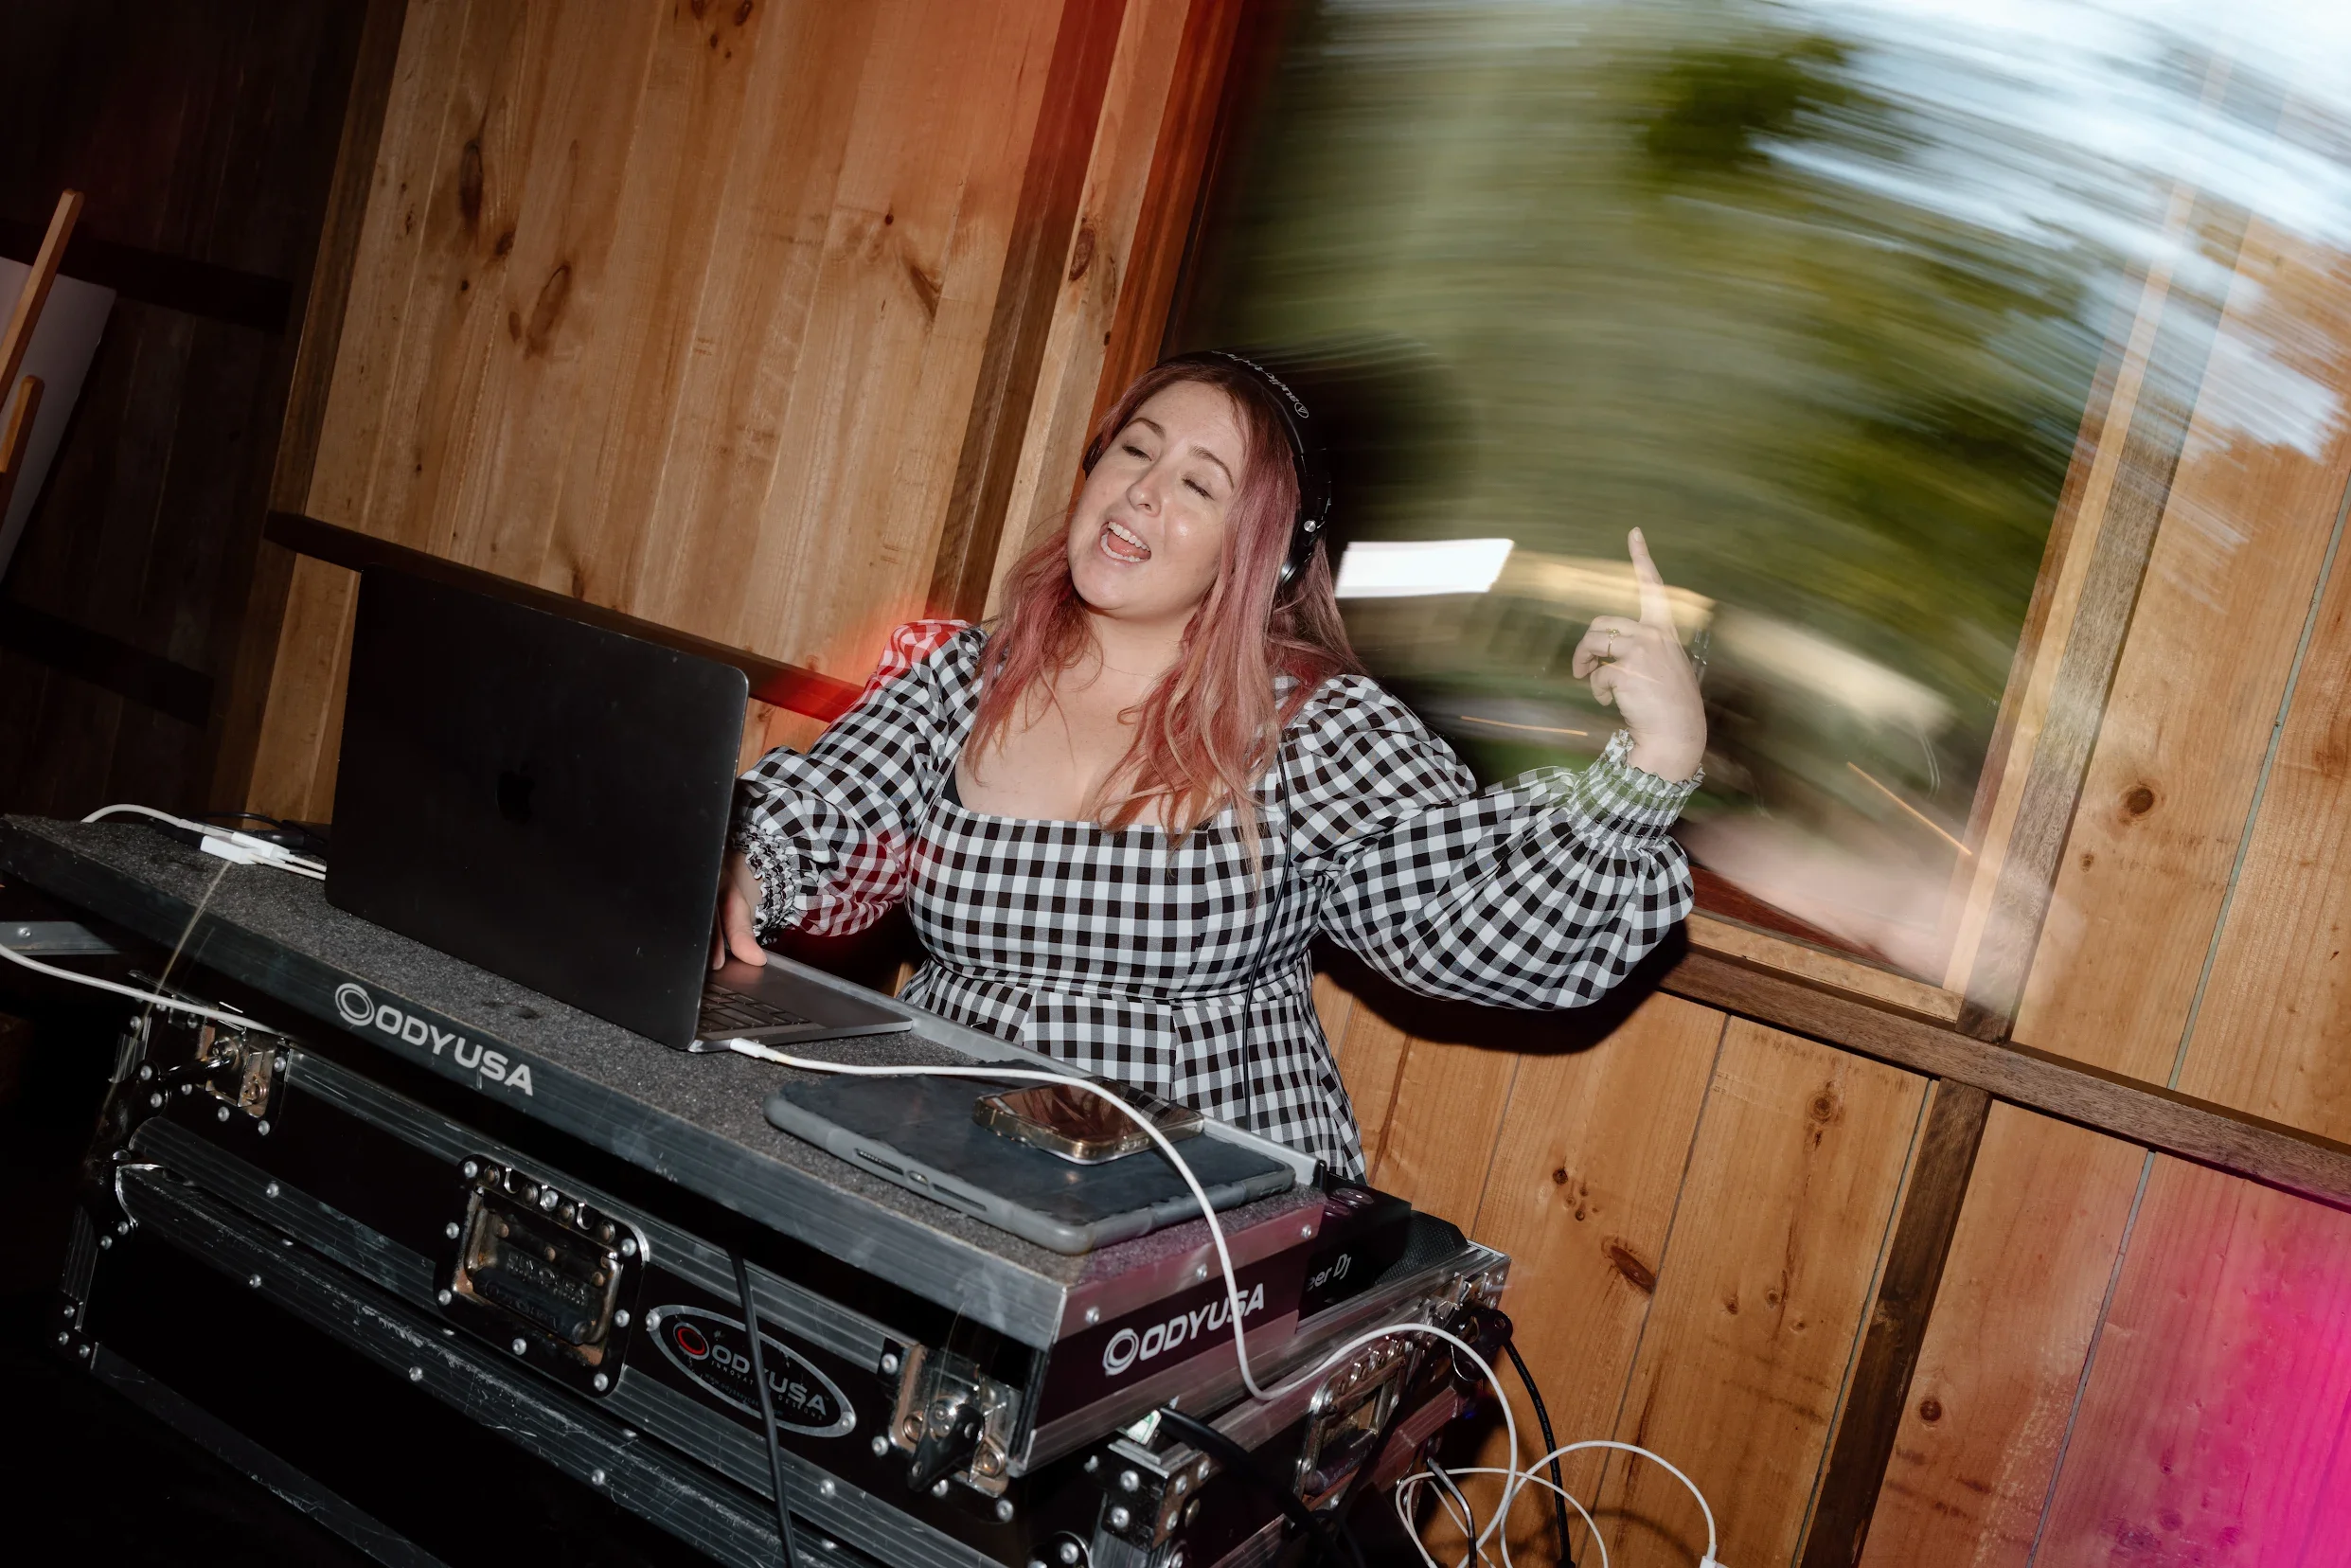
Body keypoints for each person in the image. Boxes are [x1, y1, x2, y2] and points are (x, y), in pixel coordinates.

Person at [715, 351, 1706, 1178]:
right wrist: (741, 866)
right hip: (944, 1153)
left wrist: (1656, 761)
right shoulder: (960, 677)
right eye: (1134, 450)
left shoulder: (1315, 729)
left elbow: (1471, 924)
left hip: (1205, 1197)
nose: (1142, 489)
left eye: (1198, 484)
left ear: (1261, 553)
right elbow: (823, 807)